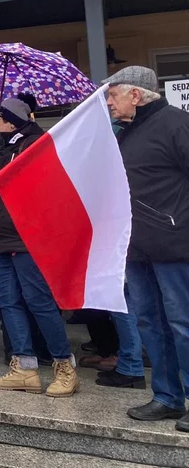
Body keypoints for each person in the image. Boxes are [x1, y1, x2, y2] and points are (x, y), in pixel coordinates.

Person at [106, 66, 189, 428]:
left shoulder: (177, 124)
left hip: (175, 245)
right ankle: (168, 397)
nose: (108, 102)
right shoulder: (126, 133)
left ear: (135, 95)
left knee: (183, 324)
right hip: (137, 247)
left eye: (112, 95)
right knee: (149, 323)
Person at [0, 97, 78, 397]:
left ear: (10, 121)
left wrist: (1, 156)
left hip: (26, 239)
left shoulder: (34, 144)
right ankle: (24, 366)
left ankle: (65, 366)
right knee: (6, 300)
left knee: (38, 301)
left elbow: (32, 187)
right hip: (1, 239)